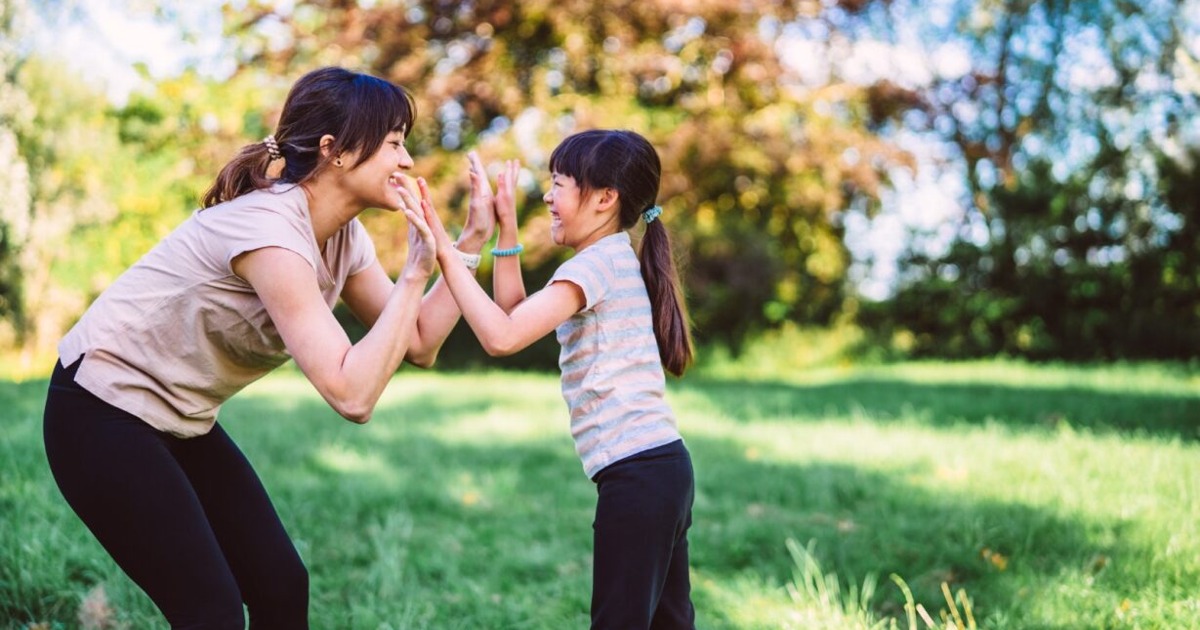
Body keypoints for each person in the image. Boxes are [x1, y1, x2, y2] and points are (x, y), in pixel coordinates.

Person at [42, 66, 495, 628]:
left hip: (179, 417)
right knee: (211, 611)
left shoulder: (343, 236)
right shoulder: (270, 230)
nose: (406, 161)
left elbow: (420, 342)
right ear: (336, 151)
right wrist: (414, 274)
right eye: (396, 144)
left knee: (281, 584)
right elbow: (352, 395)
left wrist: (470, 242)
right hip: (99, 411)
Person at [412, 129, 697, 629]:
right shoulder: (606, 261)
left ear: (605, 198)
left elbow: (500, 337)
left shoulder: (597, 265)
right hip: (660, 468)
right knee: (669, 621)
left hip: (638, 476)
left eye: (560, 182)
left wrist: (444, 248)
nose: (547, 194)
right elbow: (514, 314)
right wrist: (506, 230)